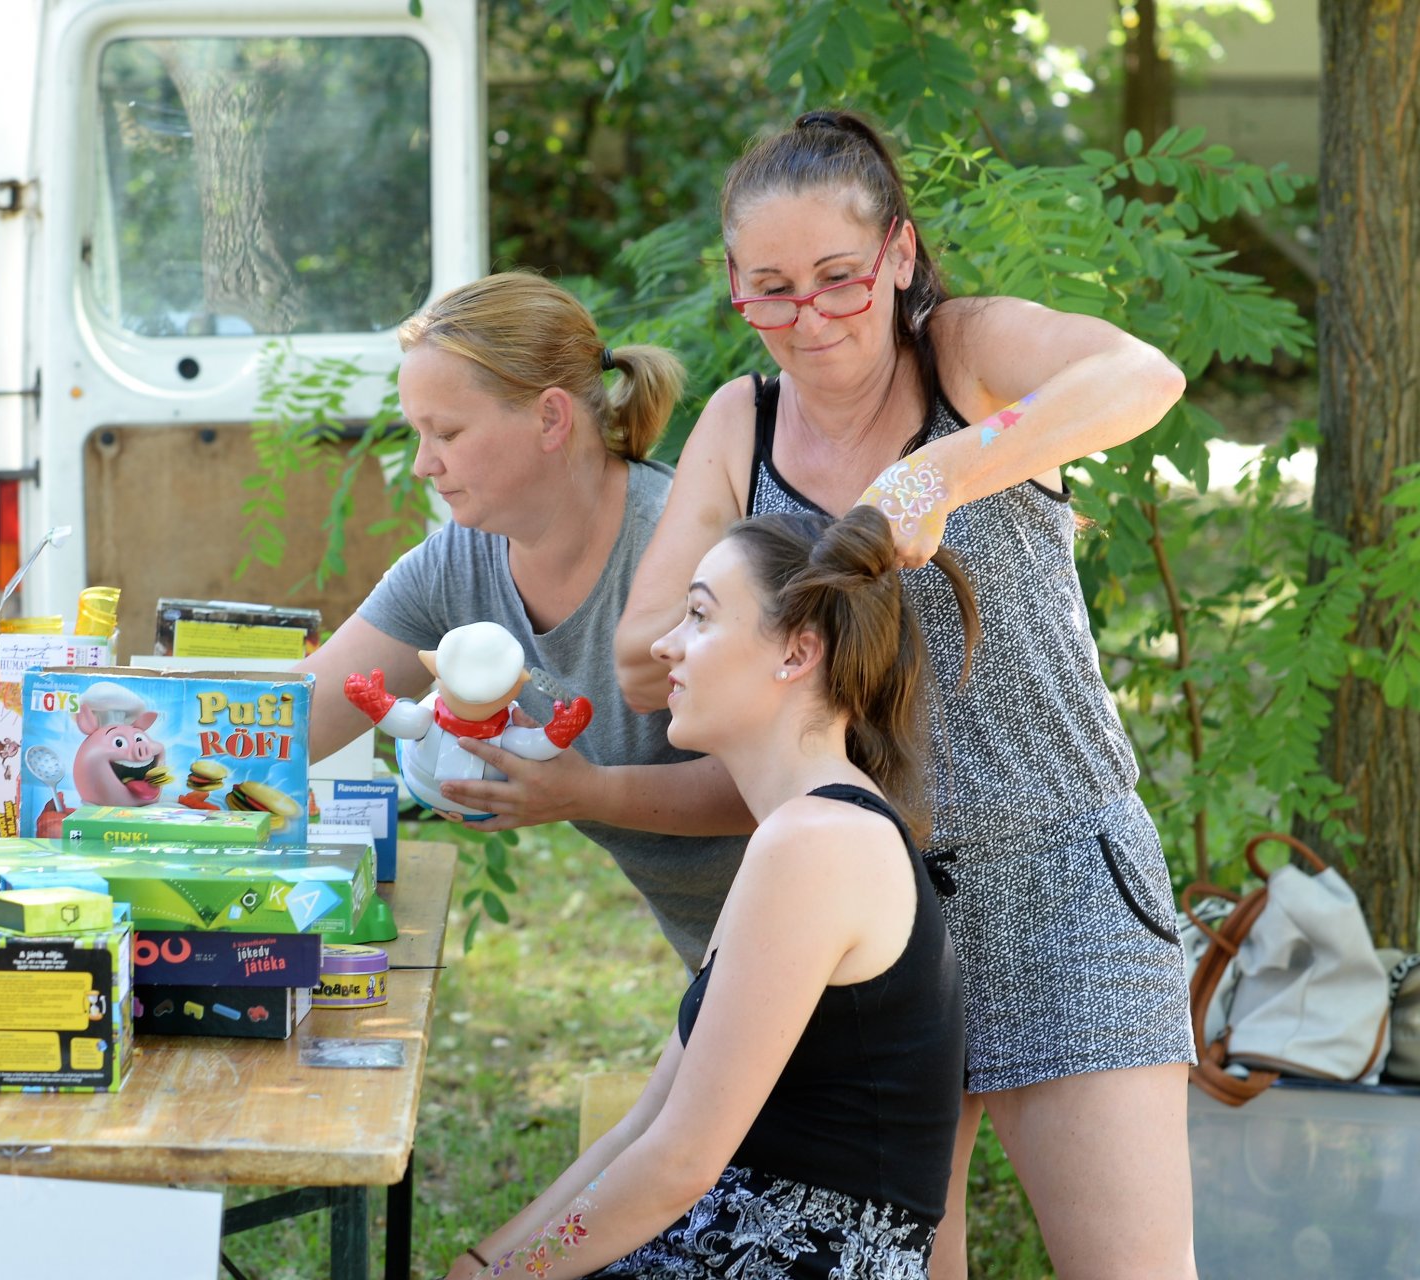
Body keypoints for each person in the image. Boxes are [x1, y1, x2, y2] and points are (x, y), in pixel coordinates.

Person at [613, 110, 1196, 1279]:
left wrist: (941, 472)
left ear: (897, 256)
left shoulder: (965, 353)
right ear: (733, 283)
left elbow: (1146, 373)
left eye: (838, 279)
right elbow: (642, 651)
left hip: (1062, 875)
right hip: (873, 905)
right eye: (770, 290)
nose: (810, 319)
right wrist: (790, 604)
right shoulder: (745, 419)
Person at [449, 506, 973, 1280]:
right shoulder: (795, 833)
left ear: (798, 652)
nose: (666, 645)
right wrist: (485, 1261)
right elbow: (649, 1123)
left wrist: (512, 1279)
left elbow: (681, 1162)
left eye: (699, 615)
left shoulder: (817, 844)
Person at [298, 272, 750, 973]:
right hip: (723, 957)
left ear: (549, 418)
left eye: (445, 432)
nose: (423, 464)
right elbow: (294, 717)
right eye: (418, 434)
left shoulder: (684, 551)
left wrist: (590, 794)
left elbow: (781, 783)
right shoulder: (456, 562)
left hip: (835, 942)